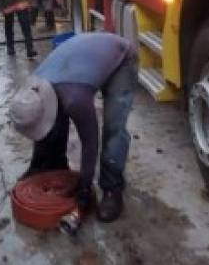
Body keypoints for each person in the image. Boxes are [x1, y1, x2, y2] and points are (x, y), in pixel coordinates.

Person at [7, 32, 137, 222]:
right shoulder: (34, 86)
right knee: (57, 118)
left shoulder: (75, 99)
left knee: (113, 128)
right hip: (86, 56)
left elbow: (90, 143)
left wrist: (84, 186)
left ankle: (112, 189)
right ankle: (52, 163)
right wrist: (38, 165)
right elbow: (45, 125)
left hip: (120, 57)